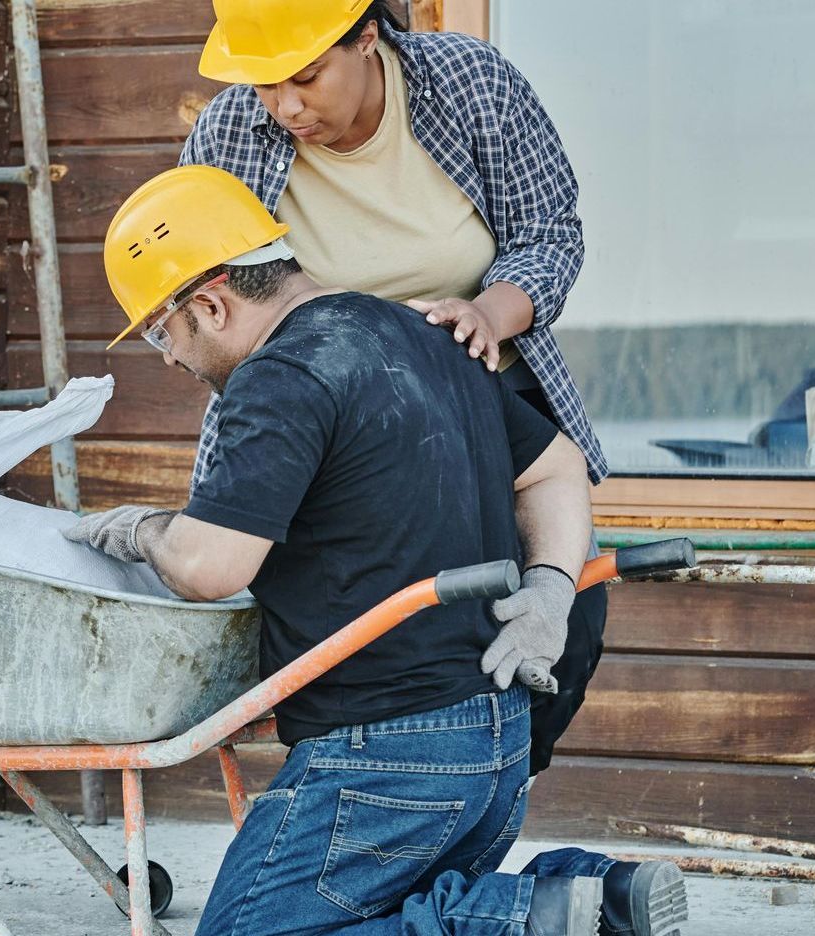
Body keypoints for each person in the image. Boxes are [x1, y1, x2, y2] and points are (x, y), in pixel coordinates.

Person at [63, 165, 687, 936]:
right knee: (389, 912)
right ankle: (597, 897)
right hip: (495, 745)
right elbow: (556, 467)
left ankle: (518, 919)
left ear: (212, 303)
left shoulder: (281, 376)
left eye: (163, 330)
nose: (166, 357)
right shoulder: (426, 333)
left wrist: (141, 530)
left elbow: (208, 566)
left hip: (384, 762)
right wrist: (553, 586)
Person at [183, 0, 609, 777]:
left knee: (562, 630)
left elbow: (550, 234)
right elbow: (196, 290)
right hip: (325, 436)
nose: (284, 106)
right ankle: (369, 818)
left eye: (306, 77)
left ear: (368, 37)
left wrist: (488, 313)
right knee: (349, 648)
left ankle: (483, 801)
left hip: (482, 405)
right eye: (263, 84)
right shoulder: (227, 134)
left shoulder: (468, 84)